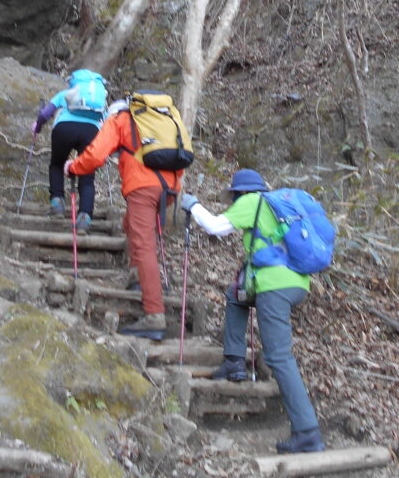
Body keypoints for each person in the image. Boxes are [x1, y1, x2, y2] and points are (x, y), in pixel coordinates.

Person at [180, 169, 325, 454]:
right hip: (296, 283)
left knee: (279, 357)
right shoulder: (274, 207)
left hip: (274, 287)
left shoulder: (252, 201)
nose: (235, 199)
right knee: (235, 296)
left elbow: (215, 226)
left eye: (235, 195)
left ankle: (308, 432)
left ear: (242, 192)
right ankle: (234, 361)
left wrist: (192, 204)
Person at [64, 99, 182, 341]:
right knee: (131, 224)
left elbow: (96, 155)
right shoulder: (161, 120)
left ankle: (154, 315)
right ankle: (137, 276)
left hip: (142, 188)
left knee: (144, 245)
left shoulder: (120, 121)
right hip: (169, 188)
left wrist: (74, 167)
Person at [31, 70, 107, 234]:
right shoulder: (98, 100)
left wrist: (37, 127)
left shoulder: (66, 94)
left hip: (64, 128)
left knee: (57, 165)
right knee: (87, 176)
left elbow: (45, 113)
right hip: (91, 132)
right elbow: (107, 121)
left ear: (74, 82)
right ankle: (84, 218)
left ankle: (57, 203)